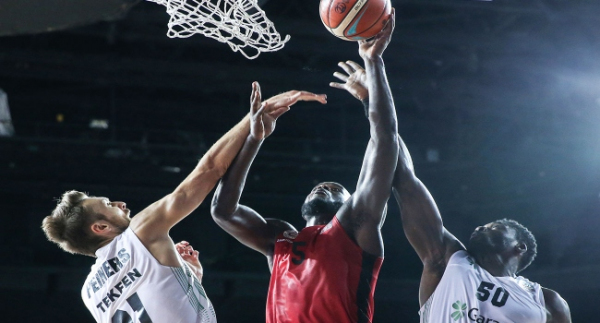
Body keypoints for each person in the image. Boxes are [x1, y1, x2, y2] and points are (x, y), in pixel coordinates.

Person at [40, 83, 327, 323]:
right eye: (109, 204)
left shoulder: (89, 292)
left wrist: (190, 280)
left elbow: (155, 305)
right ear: (100, 226)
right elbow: (209, 170)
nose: (121, 203)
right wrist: (252, 121)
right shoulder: (139, 232)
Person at [330, 61, 572, 323]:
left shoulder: (546, 301)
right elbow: (406, 182)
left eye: (495, 227)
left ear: (519, 247)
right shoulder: (447, 260)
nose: (482, 226)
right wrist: (370, 99)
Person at [210, 11, 398, 323]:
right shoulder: (280, 240)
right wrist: (255, 138)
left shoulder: (354, 226)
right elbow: (223, 211)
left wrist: (374, 63)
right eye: (322, 186)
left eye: (337, 189)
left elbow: (385, 139)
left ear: (350, 204)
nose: (325, 185)